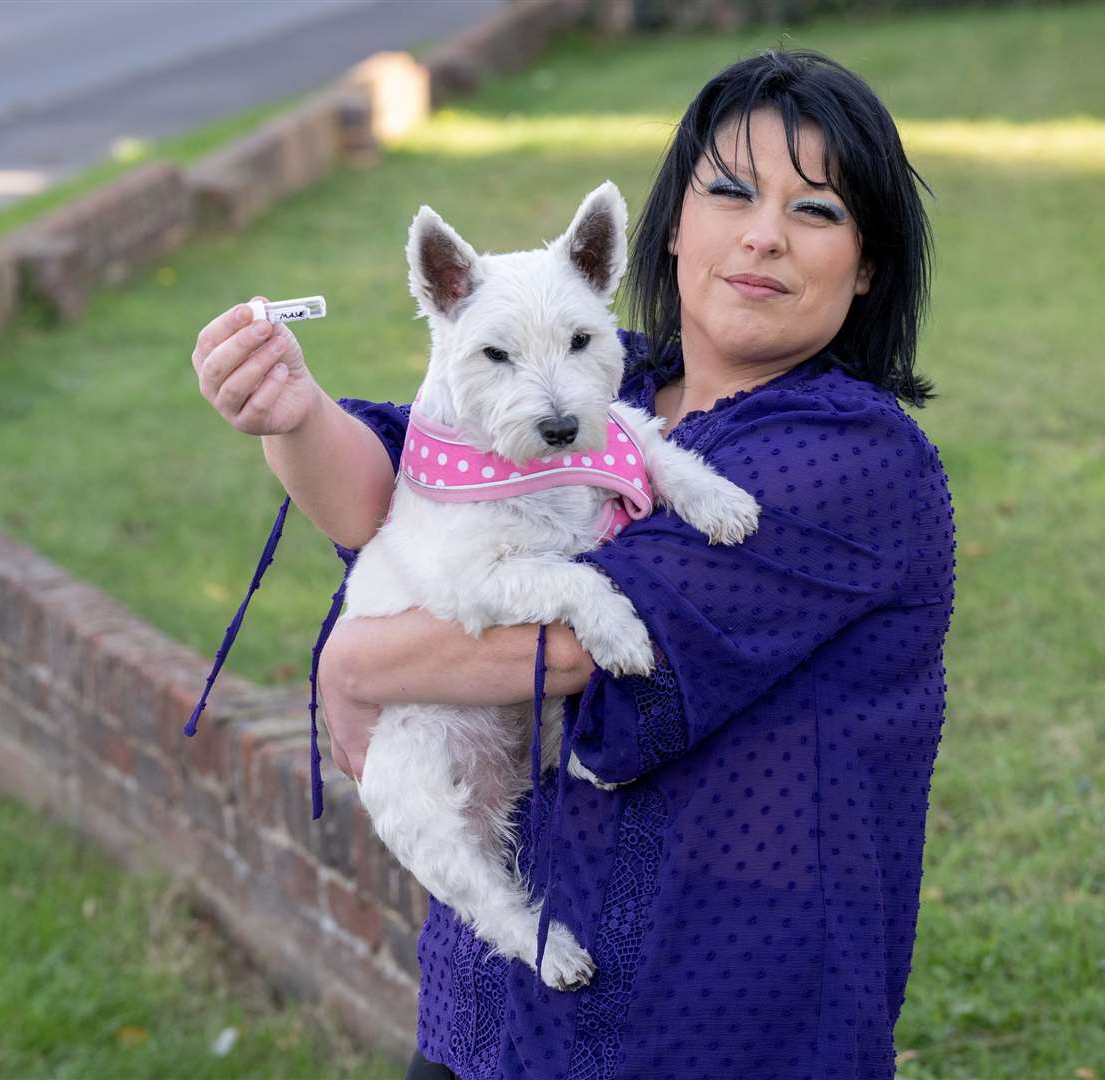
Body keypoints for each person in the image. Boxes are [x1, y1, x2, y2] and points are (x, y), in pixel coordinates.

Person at [191, 49, 954, 1080]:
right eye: (729, 193)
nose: (763, 234)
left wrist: (355, 668)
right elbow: (391, 489)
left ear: (867, 263)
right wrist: (287, 410)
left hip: (709, 1025)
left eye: (815, 212)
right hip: (492, 1019)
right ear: (674, 226)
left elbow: (589, 649)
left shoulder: (851, 455)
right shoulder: (601, 370)